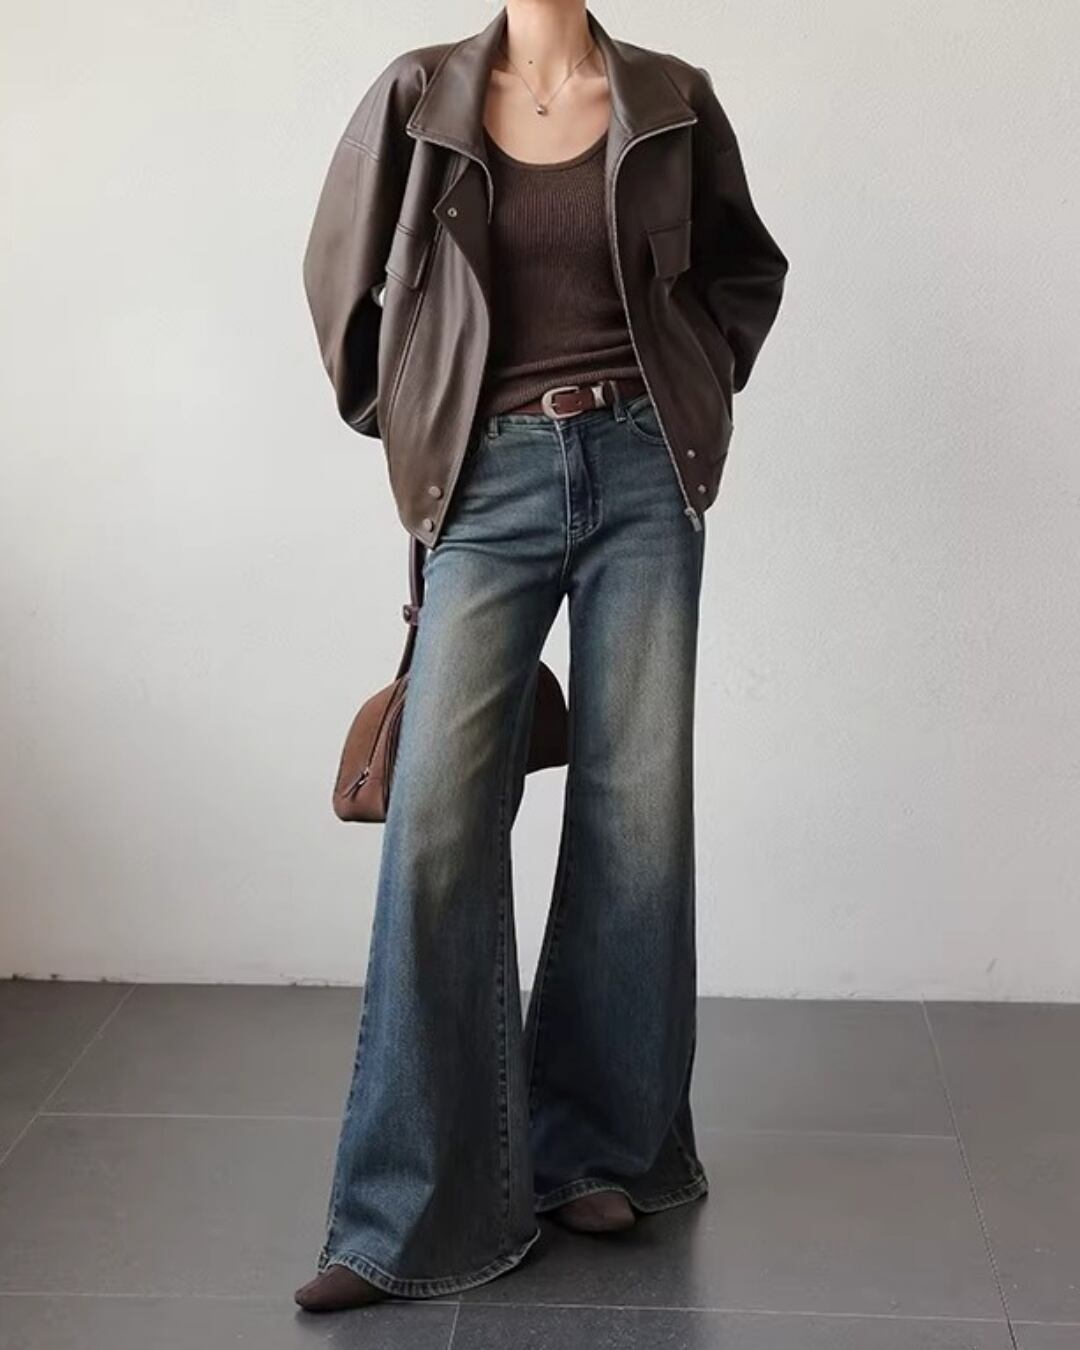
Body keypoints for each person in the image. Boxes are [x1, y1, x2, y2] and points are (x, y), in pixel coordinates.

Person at [295, 0, 788, 1311]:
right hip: (487, 479)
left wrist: (695, 385)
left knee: (637, 811)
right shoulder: (423, 98)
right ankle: (408, 1206)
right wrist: (416, 422)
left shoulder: (672, 97)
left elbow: (744, 274)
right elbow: (344, 280)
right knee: (440, 826)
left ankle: (598, 1149)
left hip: (644, 474)